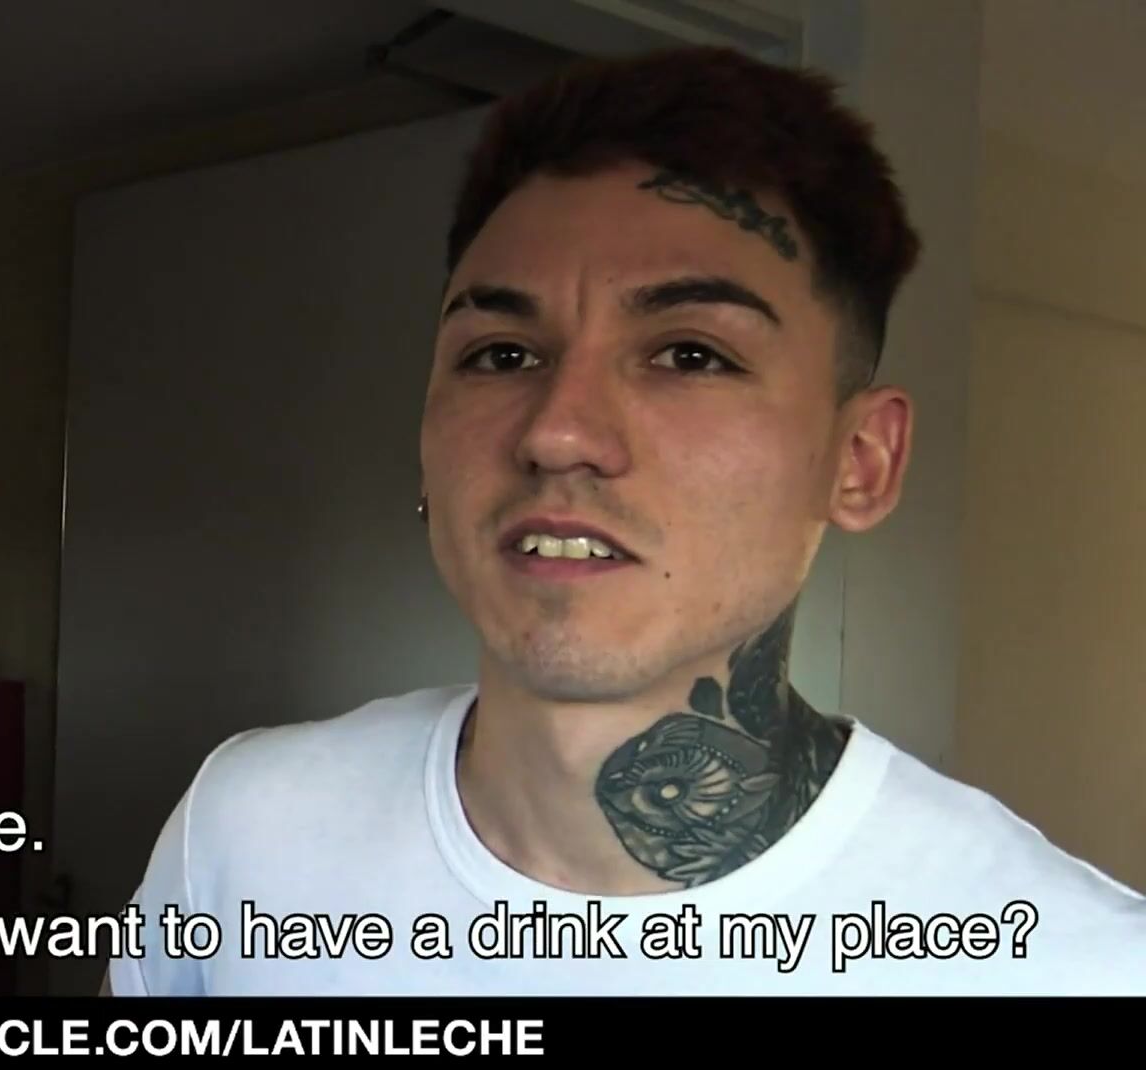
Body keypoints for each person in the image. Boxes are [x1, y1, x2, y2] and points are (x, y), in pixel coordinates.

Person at [100, 44, 1146, 997]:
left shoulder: (1074, 966)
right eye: (501, 354)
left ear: (860, 462)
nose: (557, 431)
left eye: (691, 354)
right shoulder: (246, 831)